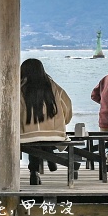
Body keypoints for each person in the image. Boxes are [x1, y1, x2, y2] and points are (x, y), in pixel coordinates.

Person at [19, 57, 73, 185]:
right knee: (43, 137)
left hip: (26, 136)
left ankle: (34, 171)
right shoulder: (53, 86)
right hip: (55, 135)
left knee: (34, 140)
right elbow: (67, 106)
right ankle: (50, 157)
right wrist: (62, 122)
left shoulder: (19, 88)